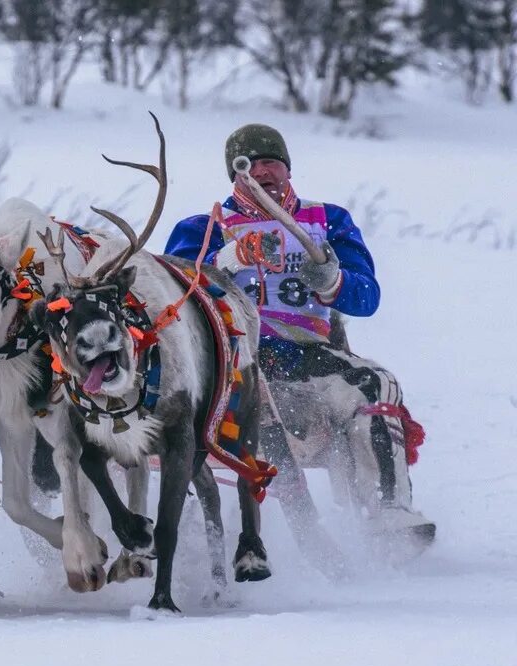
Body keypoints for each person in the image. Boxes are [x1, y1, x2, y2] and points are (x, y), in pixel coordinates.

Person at [166, 123, 434, 552]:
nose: (261, 172)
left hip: (308, 355)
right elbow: (174, 297)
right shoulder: (205, 227)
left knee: (375, 382)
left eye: (270, 162)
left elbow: (367, 298)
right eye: (248, 166)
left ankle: (390, 509)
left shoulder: (327, 220)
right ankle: (299, 534)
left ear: (288, 169)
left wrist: (334, 282)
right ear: (234, 175)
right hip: (235, 361)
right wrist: (225, 259)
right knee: (260, 415)